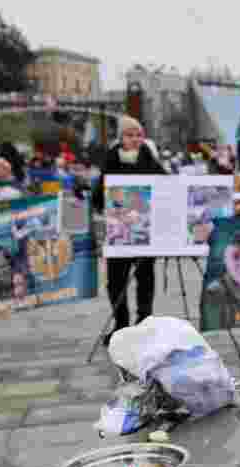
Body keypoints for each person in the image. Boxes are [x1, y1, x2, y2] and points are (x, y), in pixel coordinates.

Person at [92, 115, 168, 346]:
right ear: (121, 137)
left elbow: (166, 187)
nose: (134, 139)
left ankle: (145, 320)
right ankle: (121, 324)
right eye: (129, 135)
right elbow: (98, 194)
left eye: (138, 135)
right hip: (119, 233)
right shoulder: (111, 159)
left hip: (146, 232)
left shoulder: (149, 159)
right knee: (115, 281)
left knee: (145, 277)